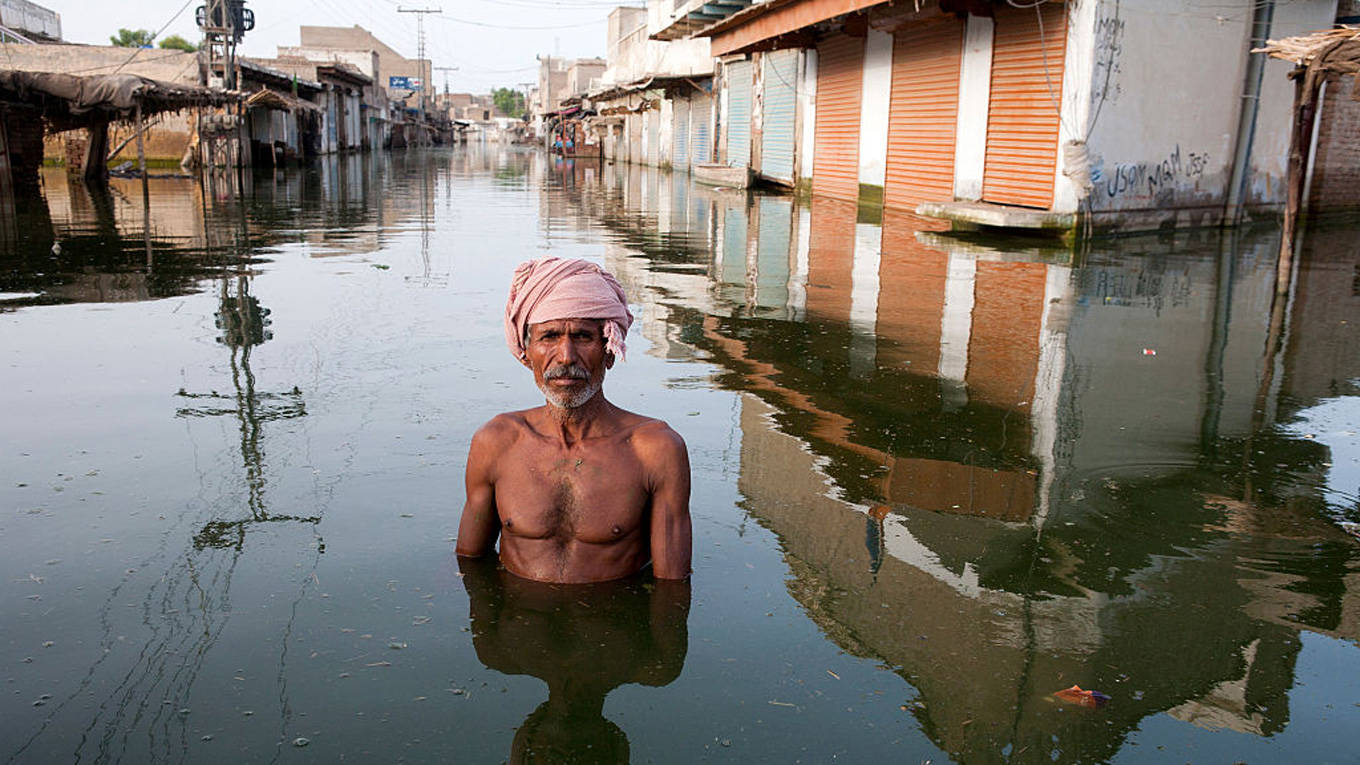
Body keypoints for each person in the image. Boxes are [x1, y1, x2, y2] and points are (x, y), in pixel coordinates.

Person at [456, 257, 692, 583]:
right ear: (527, 353)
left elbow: (673, 589)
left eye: (582, 337)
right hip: (519, 629)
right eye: (549, 336)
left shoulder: (655, 450)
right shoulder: (496, 442)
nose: (566, 357)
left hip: (611, 623)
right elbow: (469, 565)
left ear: (609, 351)